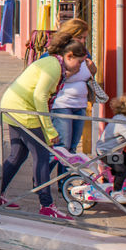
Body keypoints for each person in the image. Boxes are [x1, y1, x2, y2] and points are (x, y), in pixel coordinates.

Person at [0, 36, 89, 219]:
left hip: (13, 106)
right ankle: (47, 206)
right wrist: (50, 131)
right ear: (69, 56)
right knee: (42, 156)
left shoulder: (53, 63)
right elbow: (40, 97)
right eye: (80, 62)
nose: (80, 67)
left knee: (17, 155)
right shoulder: (54, 68)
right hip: (23, 110)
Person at [47, 18, 97, 174]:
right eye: (80, 37)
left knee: (72, 149)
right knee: (62, 147)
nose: (83, 41)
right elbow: (49, 75)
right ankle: (42, 178)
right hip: (62, 105)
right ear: (70, 35)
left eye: (85, 37)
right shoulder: (57, 53)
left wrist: (92, 69)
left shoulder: (84, 53)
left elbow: (88, 74)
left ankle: (64, 183)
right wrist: (68, 73)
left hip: (80, 105)